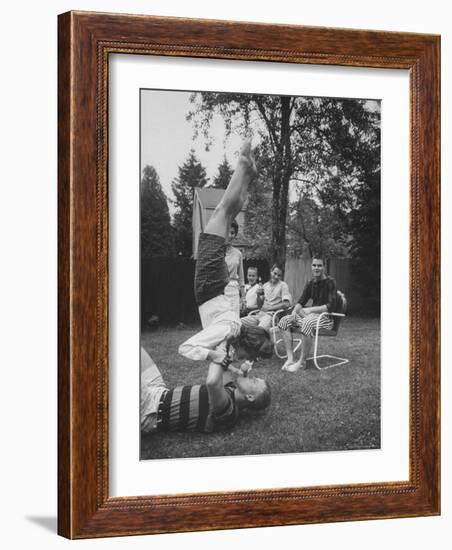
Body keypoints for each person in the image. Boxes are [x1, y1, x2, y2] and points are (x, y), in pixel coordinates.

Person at [178, 140, 273, 366]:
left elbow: (229, 358)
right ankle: (242, 166)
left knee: (227, 215)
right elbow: (186, 348)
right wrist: (212, 355)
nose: (248, 361)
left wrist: (233, 366)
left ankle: (247, 177)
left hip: (216, 287)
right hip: (209, 286)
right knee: (220, 212)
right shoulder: (226, 331)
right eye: (251, 358)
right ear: (244, 346)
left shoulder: (233, 334)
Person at [141, 347, 271, 434]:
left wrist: (220, 356)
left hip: (150, 410)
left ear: (249, 397)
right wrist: (228, 343)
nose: (251, 376)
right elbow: (224, 366)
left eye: (254, 381)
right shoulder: (231, 388)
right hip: (159, 390)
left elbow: (213, 382)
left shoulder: (229, 411)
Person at [278, 256, 337, 372]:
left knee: (307, 322)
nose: (316, 268)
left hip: (326, 318)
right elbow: (301, 302)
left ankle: (301, 363)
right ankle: (290, 359)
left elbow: (330, 307)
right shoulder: (310, 283)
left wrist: (310, 310)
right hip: (311, 317)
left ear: (324, 267)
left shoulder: (330, 282)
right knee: (284, 321)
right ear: (311, 266)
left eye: (319, 265)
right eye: (314, 265)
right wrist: (294, 312)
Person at [241, 264, 292, 332]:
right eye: (275, 273)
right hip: (259, 314)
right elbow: (260, 306)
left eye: (279, 275)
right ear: (271, 272)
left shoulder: (283, 285)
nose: (276, 276)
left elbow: (287, 304)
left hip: (271, 316)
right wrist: (258, 295)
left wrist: (270, 308)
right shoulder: (265, 285)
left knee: (258, 331)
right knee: (239, 323)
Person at [224, 219, 245, 317]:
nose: (230, 235)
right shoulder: (217, 252)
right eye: (227, 232)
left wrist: (243, 298)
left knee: (234, 320)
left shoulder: (238, 254)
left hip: (233, 291)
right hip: (220, 291)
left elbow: (241, 278)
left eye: (232, 233)